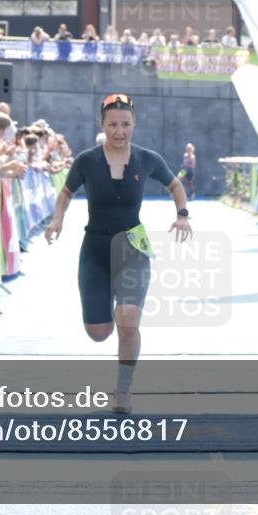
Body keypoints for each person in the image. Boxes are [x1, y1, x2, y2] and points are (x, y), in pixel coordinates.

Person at [44, 93, 192, 414]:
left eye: (125, 124)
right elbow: (66, 192)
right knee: (99, 333)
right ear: (102, 125)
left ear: (134, 124)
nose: (119, 130)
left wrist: (182, 214)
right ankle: (109, 301)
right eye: (113, 124)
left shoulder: (147, 158)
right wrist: (58, 219)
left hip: (132, 247)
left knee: (127, 320)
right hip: (95, 249)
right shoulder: (86, 160)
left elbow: (175, 185)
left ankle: (122, 391)